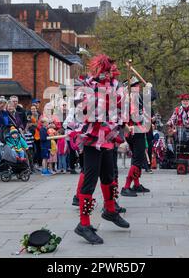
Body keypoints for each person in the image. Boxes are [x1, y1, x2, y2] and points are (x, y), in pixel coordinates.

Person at [73, 54, 130, 245]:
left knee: (109, 177)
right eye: (103, 71)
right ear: (96, 69)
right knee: (90, 181)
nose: (106, 74)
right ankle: (84, 224)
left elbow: (122, 108)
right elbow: (82, 112)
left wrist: (122, 122)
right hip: (91, 140)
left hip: (107, 139)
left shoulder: (115, 86)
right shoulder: (85, 86)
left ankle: (110, 210)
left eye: (109, 71)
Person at [121, 76, 157, 197]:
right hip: (136, 132)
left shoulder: (126, 99)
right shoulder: (135, 98)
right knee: (137, 160)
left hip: (131, 132)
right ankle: (126, 187)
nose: (138, 87)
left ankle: (136, 184)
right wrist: (150, 87)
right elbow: (152, 96)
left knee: (138, 158)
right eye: (136, 85)